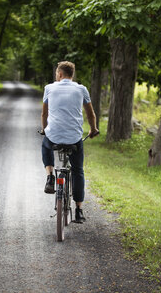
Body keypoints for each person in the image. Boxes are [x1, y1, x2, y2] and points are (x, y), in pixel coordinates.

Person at [41, 61, 99, 223]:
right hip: (74, 138)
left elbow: (44, 115)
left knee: (46, 145)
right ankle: (79, 210)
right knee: (78, 170)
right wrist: (93, 129)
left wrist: (44, 130)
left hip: (53, 137)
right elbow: (91, 115)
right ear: (71, 75)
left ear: (59, 74)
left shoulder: (49, 88)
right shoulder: (81, 89)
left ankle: (50, 176)